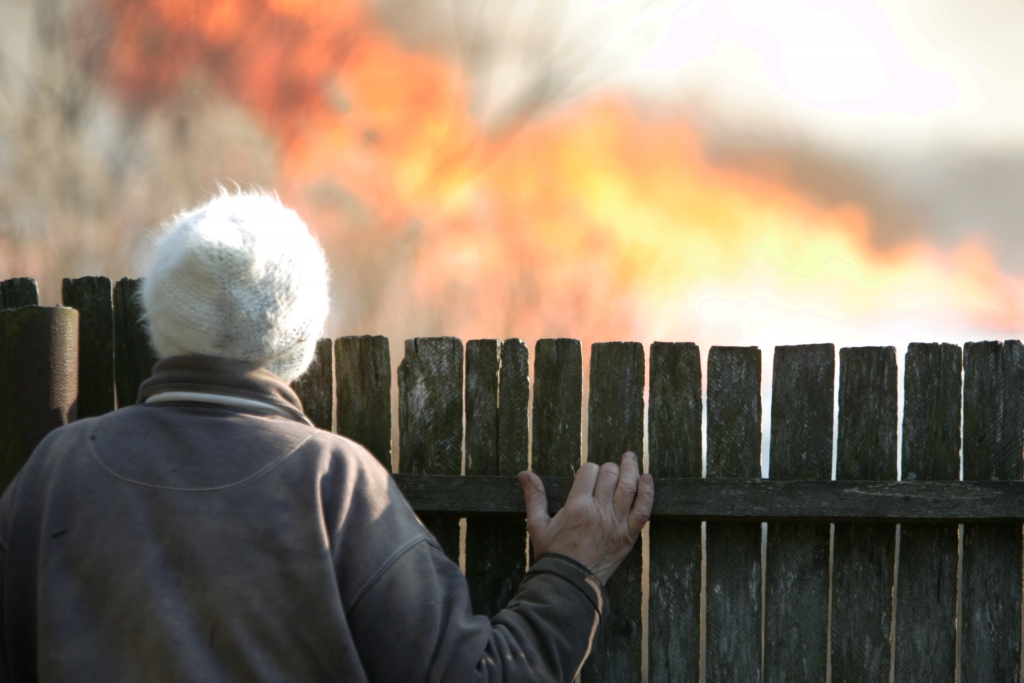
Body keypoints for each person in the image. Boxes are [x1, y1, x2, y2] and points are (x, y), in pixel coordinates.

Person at [0, 190, 654, 682]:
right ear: (301, 338)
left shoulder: (54, 467)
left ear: (156, 316)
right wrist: (572, 569)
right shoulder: (335, 481)